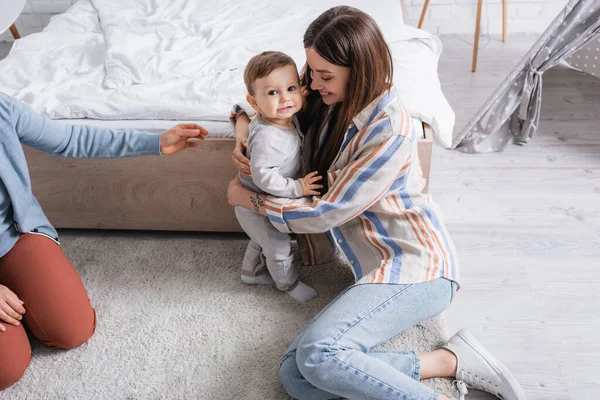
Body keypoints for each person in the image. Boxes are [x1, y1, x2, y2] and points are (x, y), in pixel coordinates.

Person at [228, 6, 526, 400]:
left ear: (359, 70)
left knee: (318, 356)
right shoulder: (325, 90)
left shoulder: (389, 129)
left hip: (418, 265)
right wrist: (242, 129)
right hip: (375, 263)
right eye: (311, 71)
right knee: (296, 376)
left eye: (324, 76)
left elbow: (326, 212)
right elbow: (259, 99)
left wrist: (253, 200)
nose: (311, 84)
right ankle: (446, 361)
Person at [0, 92, 207, 390]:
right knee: (7, 369)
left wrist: (154, 142)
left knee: (72, 330)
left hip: (13, 235)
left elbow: (68, 138)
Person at [232, 51, 322, 302]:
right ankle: (288, 285)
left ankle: (250, 272)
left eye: (291, 88)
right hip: (255, 202)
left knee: (263, 241)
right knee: (279, 247)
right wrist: (298, 187)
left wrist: (297, 95)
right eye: (273, 93)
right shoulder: (267, 137)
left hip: (263, 200)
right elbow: (264, 178)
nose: (285, 98)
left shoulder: (283, 118)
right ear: (254, 102)